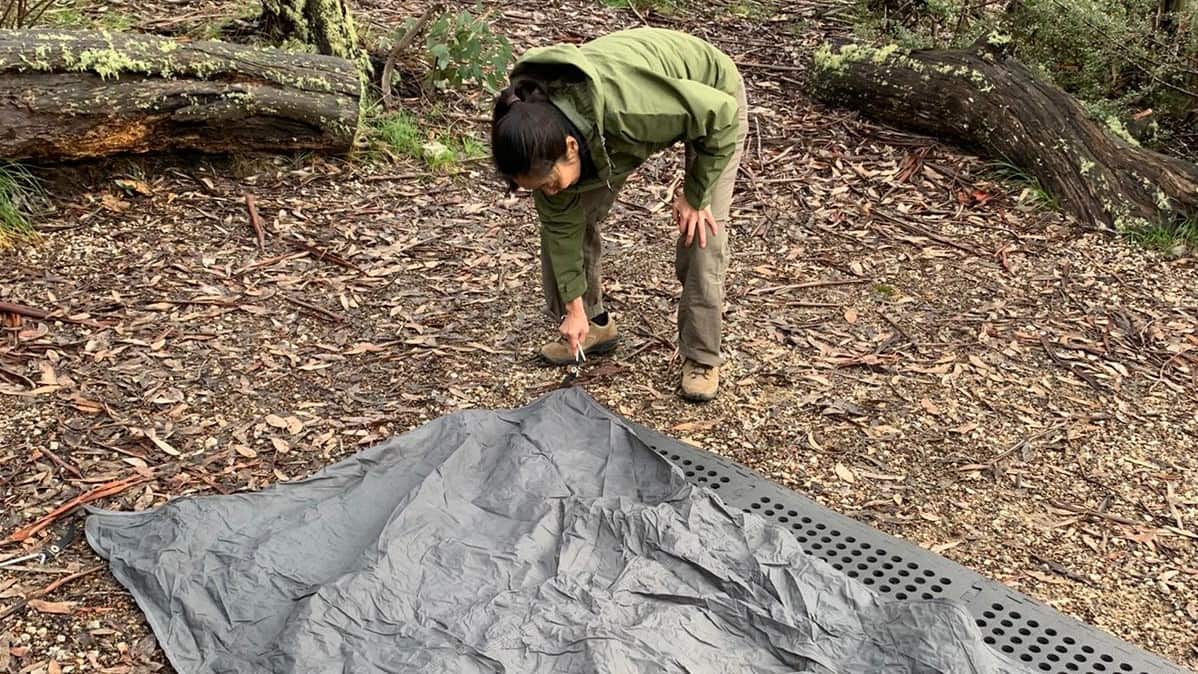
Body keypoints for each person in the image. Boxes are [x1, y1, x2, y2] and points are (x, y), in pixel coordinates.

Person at [491, 28, 748, 402]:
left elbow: (720, 115)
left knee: (702, 231)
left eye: (548, 182)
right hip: (608, 130)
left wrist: (696, 194)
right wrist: (574, 307)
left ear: (570, 147)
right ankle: (593, 326)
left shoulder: (630, 111)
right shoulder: (537, 141)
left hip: (709, 99)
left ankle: (702, 355)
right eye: (536, 187)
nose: (547, 191)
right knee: (566, 220)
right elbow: (561, 229)